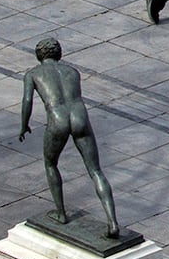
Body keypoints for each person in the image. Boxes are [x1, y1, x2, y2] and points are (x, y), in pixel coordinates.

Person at [18, 38, 121, 236]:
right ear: (59, 54)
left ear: (39, 56)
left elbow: (28, 100)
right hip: (80, 116)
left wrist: (24, 125)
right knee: (96, 171)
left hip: (57, 119)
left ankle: (61, 213)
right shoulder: (73, 72)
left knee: (50, 163)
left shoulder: (33, 74)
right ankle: (112, 221)